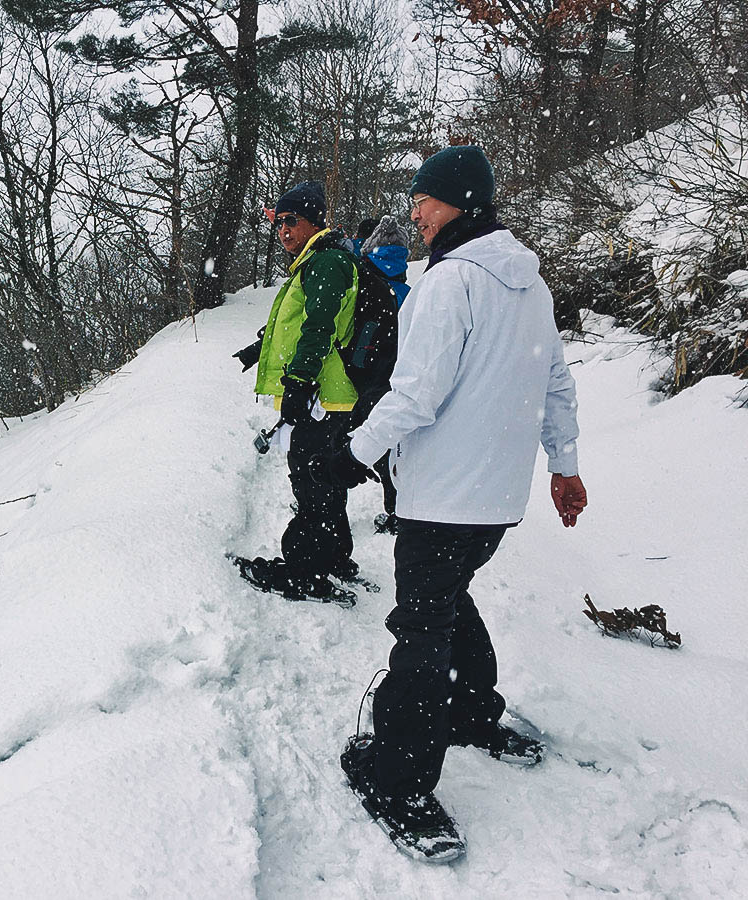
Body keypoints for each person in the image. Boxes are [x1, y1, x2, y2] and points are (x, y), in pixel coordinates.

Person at [314, 146, 589, 862]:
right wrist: (563, 466)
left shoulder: (449, 283)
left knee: (421, 629)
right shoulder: (528, 283)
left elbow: (415, 394)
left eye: (425, 200)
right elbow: (556, 382)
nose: (415, 212)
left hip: (441, 496)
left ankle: (400, 779)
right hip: (496, 498)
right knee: (448, 598)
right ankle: (471, 712)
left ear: (462, 203)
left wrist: (353, 455)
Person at [231, 181, 368, 599]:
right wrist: (261, 349)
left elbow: (318, 328)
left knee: (311, 481)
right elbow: (297, 326)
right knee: (324, 477)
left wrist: (299, 382)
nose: (284, 230)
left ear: (315, 222)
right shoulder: (317, 261)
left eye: (293, 221)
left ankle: (303, 570)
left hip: (321, 395)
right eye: (279, 222)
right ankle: (334, 557)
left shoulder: (325, 263)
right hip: (324, 394)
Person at [356, 214, 412, 534]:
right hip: (399, 373)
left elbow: (363, 332)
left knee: (364, 437)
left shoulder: (366, 280)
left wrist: (358, 364)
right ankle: (397, 508)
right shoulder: (407, 289)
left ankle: (324, 499)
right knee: (392, 443)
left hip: (370, 373)